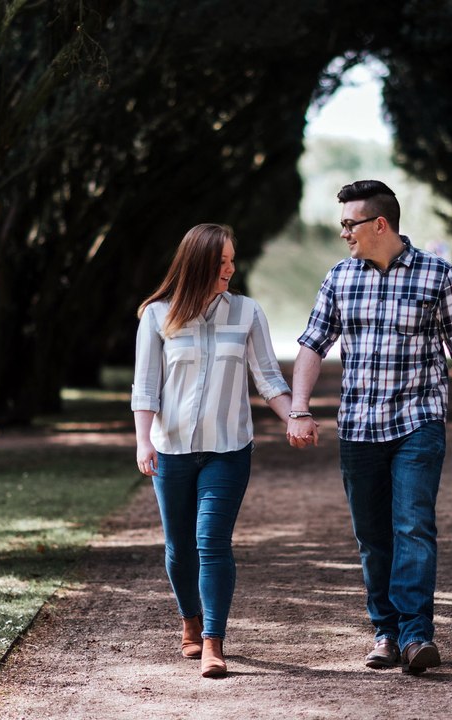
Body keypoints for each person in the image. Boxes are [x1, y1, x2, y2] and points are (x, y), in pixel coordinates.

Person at [287, 180, 452, 675]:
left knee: (413, 526)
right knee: (373, 536)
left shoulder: (438, 276)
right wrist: (299, 409)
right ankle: (386, 632)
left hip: (418, 422)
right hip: (359, 428)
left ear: (380, 224)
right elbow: (313, 344)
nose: (344, 234)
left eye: (349, 224)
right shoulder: (340, 278)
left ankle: (417, 635)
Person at [132, 223, 294, 679]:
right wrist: (143, 440)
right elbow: (146, 385)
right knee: (179, 547)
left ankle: (213, 641)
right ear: (199, 262)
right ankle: (189, 619)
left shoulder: (246, 312)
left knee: (212, 541)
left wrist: (294, 417)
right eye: (222, 261)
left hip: (228, 448)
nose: (230, 269)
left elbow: (268, 377)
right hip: (172, 449)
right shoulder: (157, 316)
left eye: (232, 260)